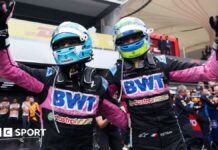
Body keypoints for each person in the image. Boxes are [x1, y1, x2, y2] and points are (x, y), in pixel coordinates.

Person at [0, 1, 127, 150]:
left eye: (70, 42)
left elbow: (119, 117)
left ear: (85, 42)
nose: (65, 48)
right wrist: (2, 29)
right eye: (60, 45)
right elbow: (8, 68)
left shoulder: (98, 83)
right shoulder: (46, 78)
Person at [106, 16, 218, 150]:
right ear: (118, 43)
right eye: (125, 39)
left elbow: (208, 72)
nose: (131, 42)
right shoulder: (115, 72)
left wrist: (217, 42)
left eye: (135, 37)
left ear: (145, 36)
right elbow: (101, 102)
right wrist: (125, 122)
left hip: (173, 138)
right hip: (141, 141)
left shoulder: (162, 63)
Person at [175, 85, 197, 150]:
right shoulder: (179, 98)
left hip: (184, 119)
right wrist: (194, 106)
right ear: (181, 92)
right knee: (191, 135)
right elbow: (187, 108)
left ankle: (187, 147)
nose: (186, 92)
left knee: (187, 135)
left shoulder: (182, 97)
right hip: (183, 120)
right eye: (185, 91)